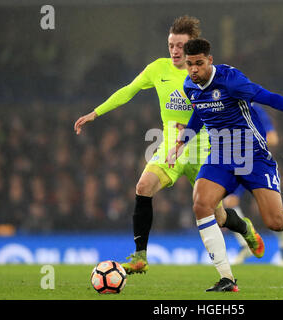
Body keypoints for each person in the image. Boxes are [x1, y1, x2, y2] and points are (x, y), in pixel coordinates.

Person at [74, 17, 264, 289]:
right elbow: (128, 91)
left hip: (204, 149)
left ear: (192, 48)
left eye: (180, 46)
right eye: (171, 45)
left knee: (217, 215)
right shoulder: (157, 68)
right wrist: (95, 113)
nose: (174, 51)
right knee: (143, 186)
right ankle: (140, 256)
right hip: (170, 146)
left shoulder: (204, 74)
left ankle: (245, 228)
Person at [167, 38, 283, 291]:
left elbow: (267, 97)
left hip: (253, 156)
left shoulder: (231, 80)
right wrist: (182, 141)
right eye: (189, 65)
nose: (193, 69)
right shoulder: (189, 85)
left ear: (209, 60)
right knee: (201, 204)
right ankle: (227, 278)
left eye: (198, 64)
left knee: (275, 222)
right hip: (220, 155)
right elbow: (198, 113)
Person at [224, 104, 283, 266]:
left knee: (271, 212)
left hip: (258, 165)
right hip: (239, 165)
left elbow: (273, 138)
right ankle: (245, 245)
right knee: (229, 202)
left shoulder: (254, 109)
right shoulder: (223, 107)